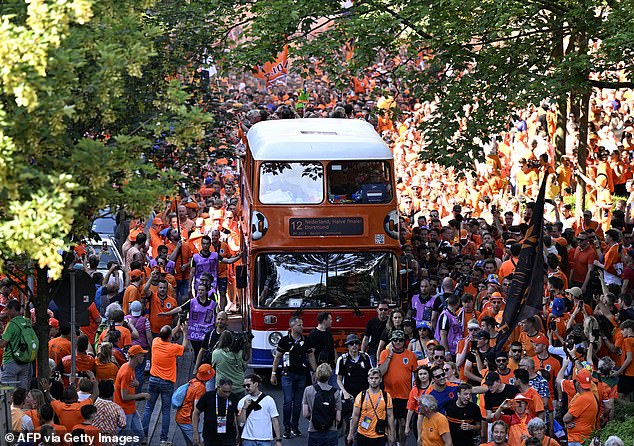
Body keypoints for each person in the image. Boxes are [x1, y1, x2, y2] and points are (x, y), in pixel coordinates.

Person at [142, 322, 189, 445]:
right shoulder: (173, 348)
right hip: (167, 383)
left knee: (148, 408)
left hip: (153, 380)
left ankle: (144, 436)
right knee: (166, 410)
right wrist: (185, 333)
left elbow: (167, 334)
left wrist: (177, 327)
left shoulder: (155, 342)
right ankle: (163, 439)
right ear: (170, 337)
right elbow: (184, 347)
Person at [271, 316, 317, 439]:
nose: (302, 327)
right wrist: (273, 373)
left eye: (302, 325)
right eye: (299, 325)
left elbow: (311, 356)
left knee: (297, 403)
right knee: (288, 401)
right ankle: (286, 427)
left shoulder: (305, 341)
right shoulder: (284, 341)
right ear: (292, 327)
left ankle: (295, 426)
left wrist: (315, 371)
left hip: (301, 375)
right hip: (287, 375)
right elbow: (278, 357)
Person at [378, 329, 417, 445]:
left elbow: (416, 375)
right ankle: (392, 443)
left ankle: (402, 444)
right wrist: (389, 356)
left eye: (400, 340)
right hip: (389, 394)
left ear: (404, 341)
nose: (398, 342)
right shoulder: (384, 354)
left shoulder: (411, 355)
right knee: (391, 423)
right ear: (391, 341)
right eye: (395, 340)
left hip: (405, 395)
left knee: (403, 423)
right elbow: (381, 372)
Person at [347, 367, 396, 446]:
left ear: (380, 379)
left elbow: (390, 416)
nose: (374, 380)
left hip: (379, 434)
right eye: (371, 378)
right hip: (363, 434)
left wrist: (392, 434)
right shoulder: (361, 395)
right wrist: (351, 433)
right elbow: (355, 416)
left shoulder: (386, 396)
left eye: (376, 378)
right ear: (368, 379)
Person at [336, 333, 371, 436]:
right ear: (347, 346)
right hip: (349, 397)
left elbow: (371, 375)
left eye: (356, 343)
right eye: (351, 343)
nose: (354, 345)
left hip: (364, 395)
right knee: (349, 423)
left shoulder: (365, 357)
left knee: (366, 422)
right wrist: (344, 392)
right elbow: (339, 379)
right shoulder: (342, 359)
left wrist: (370, 392)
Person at [115, 345, 150, 446]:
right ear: (135, 356)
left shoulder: (131, 367)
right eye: (141, 355)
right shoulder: (126, 372)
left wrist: (137, 384)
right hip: (125, 411)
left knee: (139, 435)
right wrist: (142, 395)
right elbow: (124, 397)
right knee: (124, 441)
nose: (143, 357)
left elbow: (133, 383)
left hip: (131, 409)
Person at [558, 365, 599, 446]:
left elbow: (566, 418)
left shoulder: (583, 398)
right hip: (583, 438)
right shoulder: (591, 393)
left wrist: (567, 421)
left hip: (578, 440)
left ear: (577, 382)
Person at [302, 363, 342, 446]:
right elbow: (338, 418)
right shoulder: (336, 392)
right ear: (329, 375)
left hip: (314, 430)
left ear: (317, 375)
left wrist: (315, 419)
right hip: (331, 431)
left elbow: (305, 414)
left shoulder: (308, 390)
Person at [176, 364, 216, 446]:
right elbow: (197, 409)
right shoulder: (200, 388)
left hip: (180, 417)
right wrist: (196, 432)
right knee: (199, 443)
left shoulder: (193, 381)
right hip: (187, 420)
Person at [238, 373, 283, 446]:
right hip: (248, 439)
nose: (246, 388)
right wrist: (244, 408)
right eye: (244, 386)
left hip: (265, 439)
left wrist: (278, 440)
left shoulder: (269, 400)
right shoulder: (242, 401)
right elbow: (241, 423)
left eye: (248, 385)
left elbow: (275, 420)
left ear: (256, 384)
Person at [193, 378, 239, 446]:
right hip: (210, 435)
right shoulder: (207, 396)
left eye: (229, 392)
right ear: (218, 387)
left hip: (228, 436)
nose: (227, 394)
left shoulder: (234, 398)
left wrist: (238, 433)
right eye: (224, 391)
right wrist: (195, 432)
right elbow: (196, 413)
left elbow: (237, 416)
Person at [0, 299, 34, 389]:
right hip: (25, 362)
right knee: (22, 393)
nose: (6, 312)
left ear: (13, 309)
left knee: (7, 394)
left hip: (11, 362)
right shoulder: (26, 322)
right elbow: (27, 316)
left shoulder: (11, 324)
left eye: (7, 309)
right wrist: (26, 306)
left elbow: (2, 344)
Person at [211, 330, 250, 396]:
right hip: (239, 387)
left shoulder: (216, 353)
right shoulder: (240, 353)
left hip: (223, 388)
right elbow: (244, 367)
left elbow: (213, 367)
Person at [123, 299, 152, 387]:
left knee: (129, 368)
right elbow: (149, 336)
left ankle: (128, 388)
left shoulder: (125, 319)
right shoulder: (145, 320)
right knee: (139, 370)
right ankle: (137, 390)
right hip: (141, 348)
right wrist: (151, 347)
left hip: (129, 347)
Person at [92, 380, 126, 446]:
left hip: (94, 440)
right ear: (112, 393)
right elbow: (123, 425)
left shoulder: (93, 404)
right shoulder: (117, 408)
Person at [309, 311, 337, 386]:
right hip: (319, 369)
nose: (332, 321)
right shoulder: (313, 334)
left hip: (331, 368)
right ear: (325, 320)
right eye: (330, 319)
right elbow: (311, 354)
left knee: (334, 390)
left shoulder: (328, 333)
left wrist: (336, 364)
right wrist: (315, 371)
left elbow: (333, 349)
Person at [362, 301, 390, 366]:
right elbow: (366, 338)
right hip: (373, 352)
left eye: (385, 309)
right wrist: (362, 353)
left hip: (387, 353)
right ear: (377, 310)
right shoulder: (371, 322)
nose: (383, 311)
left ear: (388, 311)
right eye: (381, 309)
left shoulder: (391, 323)